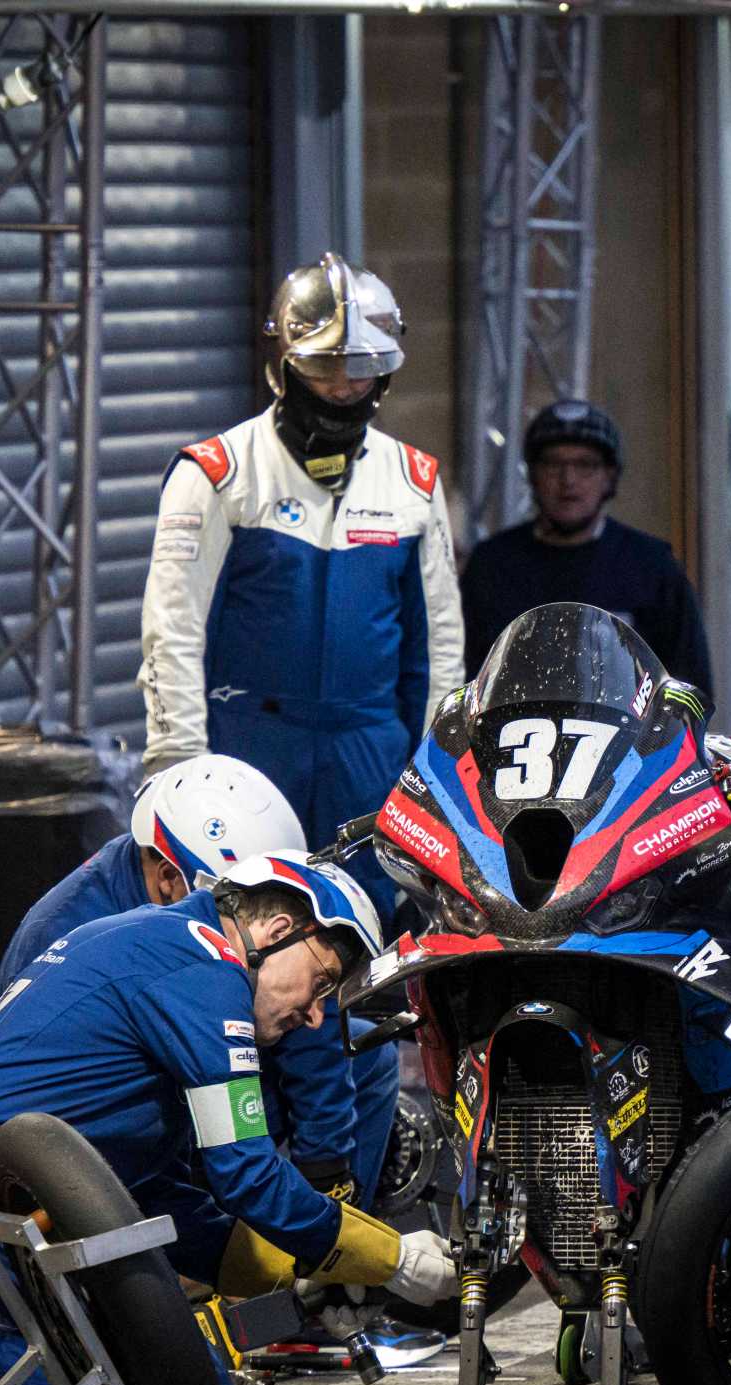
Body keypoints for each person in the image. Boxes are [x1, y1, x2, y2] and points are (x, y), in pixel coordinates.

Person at [0, 855, 457, 1385]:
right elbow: (249, 1178)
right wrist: (390, 1257)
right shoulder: (206, 973)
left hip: (7, 1172)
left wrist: (300, 1270)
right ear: (277, 928)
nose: (317, 1016)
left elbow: (161, 1192)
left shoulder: (170, 940)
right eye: (321, 983)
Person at [136, 252, 463, 910]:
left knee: (371, 927)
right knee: (248, 922)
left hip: (370, 749)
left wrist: (438, 775)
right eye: (323, 366)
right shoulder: (217, 472)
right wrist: (179, 768)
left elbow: (438, 652)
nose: (343, 386)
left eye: (360, 368)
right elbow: (172, 632)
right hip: (248, 746)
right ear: (284, 363)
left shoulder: (413, 480)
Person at [0, 753, 399, 1213]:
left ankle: (328, 1264)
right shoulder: (63, 927)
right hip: (115, 1111)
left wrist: (326, 1168)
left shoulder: (202, 902)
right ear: (169, 878)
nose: (246, 913)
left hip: (195, 1062)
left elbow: (315, 1027)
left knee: (369, 1054)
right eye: (235, 900)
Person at [458, 400, 713, 694]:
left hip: (628, 736)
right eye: (554, 464)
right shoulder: (492, 565)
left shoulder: (651, 566)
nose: (568, 480)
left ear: (610, 476)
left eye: (585, 465)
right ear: (532, 475)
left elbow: (690, 683)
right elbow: (463, 672)